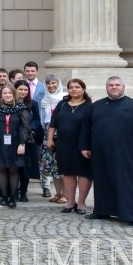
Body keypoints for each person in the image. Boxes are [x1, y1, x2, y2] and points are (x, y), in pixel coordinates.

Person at [81, 76, 133, 226]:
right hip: (101, 152)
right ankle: (102, 210)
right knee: (103, 181)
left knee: (130, 184)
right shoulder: (96, 106)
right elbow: (86, 127)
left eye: (117, 85)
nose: (114, 87)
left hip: (129, 153)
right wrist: (84, 146)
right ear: (106, 87)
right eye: (111, 85)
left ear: (123, 87)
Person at [48, 78, 92, 214]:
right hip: (63, 144)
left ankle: (81, 203)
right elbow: (53, 123)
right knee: (68, 173)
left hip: (83, 145)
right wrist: (49, 138)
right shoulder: (62, 104)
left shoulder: (90, 106)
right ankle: (70, 202)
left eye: (77, 87)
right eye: (71, 87)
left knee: (84, 173)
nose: (74, 89)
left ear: (83, 89)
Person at [0, 85, 33, 208]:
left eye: (9, 93)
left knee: (14, 169)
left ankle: (12, 197)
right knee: (1, 168)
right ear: (1, 95)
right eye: (5, 93)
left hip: (16, 143)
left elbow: (25, 127)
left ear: (14, 94)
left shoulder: (20, 108)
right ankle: (4, 196)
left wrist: (22, 143)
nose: (7, 95)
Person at [39, 75, 67, 201]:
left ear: (58, 83)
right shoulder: (43, 99)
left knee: (63, 166)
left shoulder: (65, 98)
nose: (51, 86)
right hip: (47, 134)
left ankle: (67, 195)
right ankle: (58, 193)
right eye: (48, 83)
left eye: (54, 83)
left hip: (62, 134)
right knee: (52, 166)